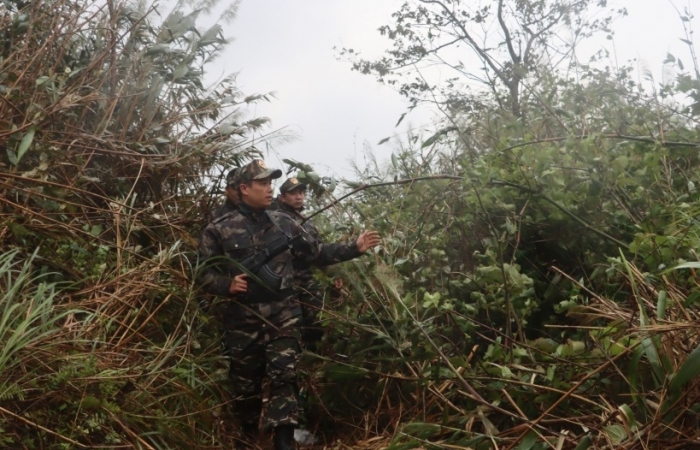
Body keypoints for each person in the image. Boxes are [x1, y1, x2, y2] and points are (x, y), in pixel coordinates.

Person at [197, 159, 380, 450]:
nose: (269, 189)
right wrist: (226, 285)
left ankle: (284, 442)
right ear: (244, 188)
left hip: (283, 314)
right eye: (263, 184)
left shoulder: (285, 223)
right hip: (243, 318)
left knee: (285, 375)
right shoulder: (218, 229)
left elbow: (316, 253)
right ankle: (246, 436)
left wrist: (353, 249)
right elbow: (203, 272)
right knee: (246, 386)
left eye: (271, 183)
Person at [269, 177, 326, 350]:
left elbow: (319, 250)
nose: (298, 197)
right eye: (293, 193)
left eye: (301, 192)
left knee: (316, 319)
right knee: (291, 322)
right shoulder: (276, 218)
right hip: (286, 279)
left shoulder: (307, 221)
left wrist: (330, 273)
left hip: (307, 277)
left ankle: (314, 355)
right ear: (282, 197)